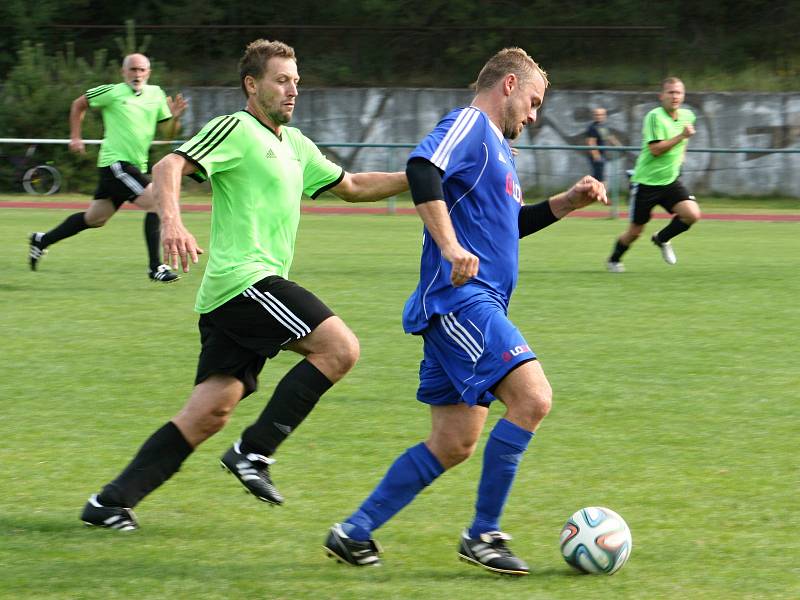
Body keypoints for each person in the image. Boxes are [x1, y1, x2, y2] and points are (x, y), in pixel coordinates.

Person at [79, 39, 408, 531]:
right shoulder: (236, 127)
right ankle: (254, 453)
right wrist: (171, 221)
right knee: (339, 348)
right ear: (252, 85)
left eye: (296, 80)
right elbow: (170, 165)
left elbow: (355, 186)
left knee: (209, 412)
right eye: (281, 80)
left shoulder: (296, 145)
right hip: (244, 281)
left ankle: (108, 503)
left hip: (235, 296)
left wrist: (423, 175)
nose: (293, 89)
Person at [323, 48, 607, 575]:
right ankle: (484, 535)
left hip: (469, 306)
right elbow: (422, 166)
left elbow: (507, 225)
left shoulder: (498, 148)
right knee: (533, 398)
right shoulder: (471, 123)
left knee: (454, 443)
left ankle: (354, 531)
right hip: (461, 302)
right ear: (508, 85)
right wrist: (451, 247)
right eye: (534, 101)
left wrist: (566, 202)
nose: (534, 115)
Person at [28, 53, 187, 282]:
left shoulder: (156, 94)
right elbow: (78, 104)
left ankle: (41, 240)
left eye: (142, 70)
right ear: (123, 72)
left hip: (133, 167)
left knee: (95, 219)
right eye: (132, 69)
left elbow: (168, 134)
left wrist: (175, 119)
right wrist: (75, 137)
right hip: (115, 164)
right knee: (157, 201)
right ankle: (156, 267)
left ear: (148, 73)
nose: (137, 74)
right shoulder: (111, 92)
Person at [606, 77, 700, 272]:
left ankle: (662, 238)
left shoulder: (688, 116)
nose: (675, 96)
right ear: (662, 96)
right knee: (635, 232)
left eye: (678, 92)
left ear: (683, 96)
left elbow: (684, 143)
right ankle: (614, 260)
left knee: (692, 214)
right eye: (670, 92)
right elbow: (656, 149)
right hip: (645, 183)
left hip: (670, 182)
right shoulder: (654, 116)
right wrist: (682, 136)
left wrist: (681, 157)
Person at [585, 107, 621, 188]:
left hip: (603, 155)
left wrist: (619, 146)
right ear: (594, 116)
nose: (599, 116)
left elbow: (610, 137)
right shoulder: (592, 127)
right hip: (597, 156)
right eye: (597, 114)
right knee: (599, 178)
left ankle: (594, 194)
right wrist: (596, 156)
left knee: (599, 177)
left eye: (601, 114)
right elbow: (591, 142)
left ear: (605, 116)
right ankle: (600, 195)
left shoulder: (604, 126)